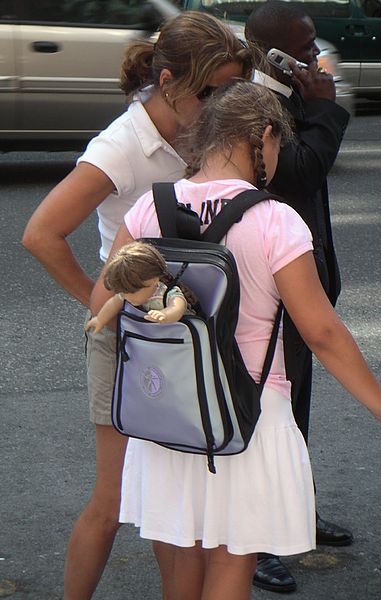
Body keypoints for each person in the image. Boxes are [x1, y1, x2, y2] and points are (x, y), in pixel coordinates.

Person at [89, 79, 381, 600]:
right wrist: (380, 401)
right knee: (233, 560)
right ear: (263, 136)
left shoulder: (148, 209)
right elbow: (320, 330)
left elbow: (103, 304)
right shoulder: (275, 220)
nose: (274, 159)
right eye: (277, 146)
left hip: (167, 410)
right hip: (245, 413)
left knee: (185, 556)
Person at [22, 11, 253, 600]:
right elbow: (41, 234)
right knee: (115, 497)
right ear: (170, 79)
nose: (223, 101)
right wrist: (102, 305)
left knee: (174, 496)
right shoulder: (123, 146)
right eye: (211, 90)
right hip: (130, 337)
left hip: (187, 330)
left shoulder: (201, 127)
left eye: (232, 88)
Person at [246, 1, 352, 590]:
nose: (315, 54)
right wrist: (327, 110)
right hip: (265, 295)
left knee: (296, 413)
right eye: (305, 45)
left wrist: (314, 104)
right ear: (273, 52)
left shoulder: (288, 96)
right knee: (270, 418)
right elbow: (299, 172)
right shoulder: (252, 106)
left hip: (300, 286)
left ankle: (295, 514)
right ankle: (258, 541)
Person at [84, 240, 198, 335]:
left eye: (134, 291)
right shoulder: (127, 295)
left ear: (154, 279)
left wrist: (165, 315)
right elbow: (113, 303)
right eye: (124, 292)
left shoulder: (166, 294)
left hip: (178, 338)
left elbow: (178, 307)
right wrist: (100, 319)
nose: (128, 296)